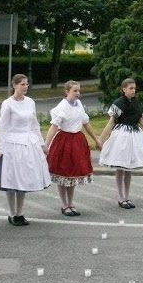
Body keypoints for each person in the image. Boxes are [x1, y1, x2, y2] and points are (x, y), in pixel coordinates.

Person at [0, 74, 51, 226]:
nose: (25, 87)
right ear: (14, 85)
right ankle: (11, 213)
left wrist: (42, 144)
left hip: (28, 145)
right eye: (22, 84)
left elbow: (34, 125)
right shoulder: (8, 104)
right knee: (12, 181)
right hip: (12, 145)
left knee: (23, 180)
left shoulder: (30, 102)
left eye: (27, 84)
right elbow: (3, 127)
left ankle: (19, 213)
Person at [45, 80, 101, 217]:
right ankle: (64, 204)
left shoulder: (78, 104)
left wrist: (96, 139)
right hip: (64, 141)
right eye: (75, 91)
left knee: (73, 174)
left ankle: (70, 203)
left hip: (77, 141)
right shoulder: (62, 107)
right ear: (67, 92)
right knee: (63, 173)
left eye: (78, 90)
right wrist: (46, 145)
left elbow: (86, 123)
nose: (78, 93)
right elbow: (54, 127)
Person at [99, 79, 143, 209]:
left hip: (134, 136)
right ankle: (120, 197)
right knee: (121, 167)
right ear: (124, 89)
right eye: (130, 88)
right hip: (122, 136)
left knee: (129, 168)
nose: (133, 90)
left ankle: (127, 196)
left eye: (134, 88)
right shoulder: (119, 103)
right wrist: (100, 139)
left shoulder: (135, 102)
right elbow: (111, 122)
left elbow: (140, 120)